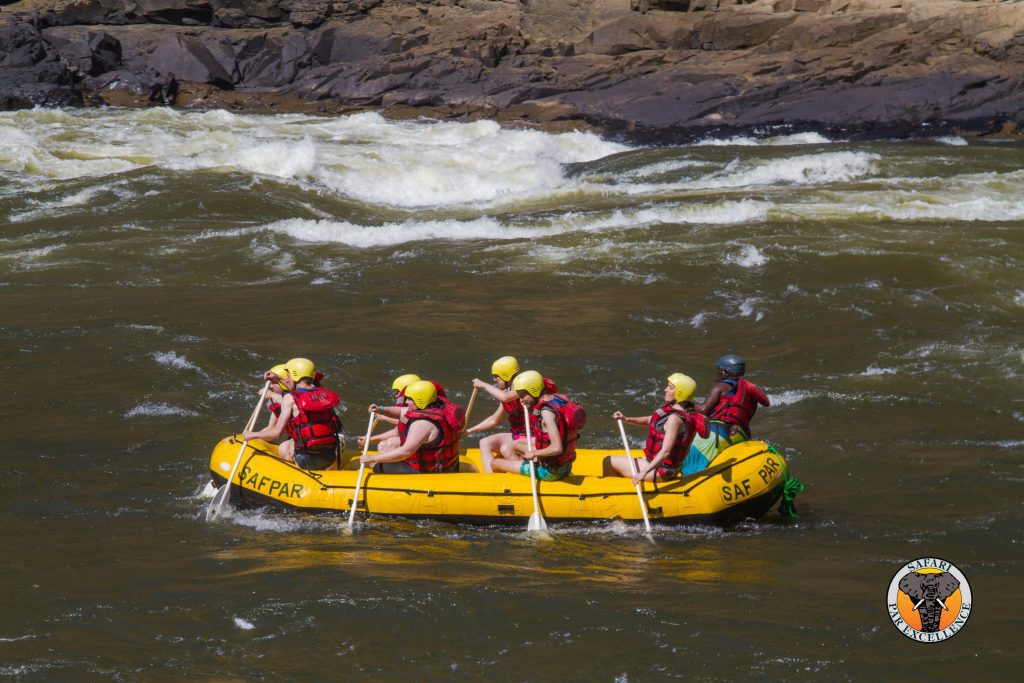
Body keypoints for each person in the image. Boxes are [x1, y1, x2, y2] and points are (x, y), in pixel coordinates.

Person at [603, 373, 711, 483]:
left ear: (680, 393)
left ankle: (614, 489)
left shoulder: (675, 419)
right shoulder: (675, 408)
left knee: (608, 461)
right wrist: (625, 419)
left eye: (670, 387)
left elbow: (666, 452)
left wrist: (643, 472)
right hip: (656, 463)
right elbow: (650, 420)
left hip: (662, 471)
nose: (665, 389)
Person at [242, 358, 343, 470]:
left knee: (284, 447)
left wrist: (252, 435)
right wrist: (277, 377)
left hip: (307, 461)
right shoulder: (324, 393)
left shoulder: (289, 398)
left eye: (288, 376)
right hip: (330, 457)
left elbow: (277, 433)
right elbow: (297, 384)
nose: (287, 379)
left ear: (295, 375)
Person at [489, 370, 584, 481]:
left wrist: (534, 453)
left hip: (550, 472)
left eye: (523, 395)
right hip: (565, 466)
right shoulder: (559, 399)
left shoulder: (546, 414)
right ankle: (524, 473)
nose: (521, 400)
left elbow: (557, 448)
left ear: (533, 391)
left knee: (495, 463)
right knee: (516, 445)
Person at [359, 380, 465, 474]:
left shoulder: (422, 424)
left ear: (420, 400)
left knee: (378, 467)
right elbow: (401, 411)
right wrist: (381, 409)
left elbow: (406, 452)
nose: (406, 402)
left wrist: (372, 458)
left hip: (428, 470)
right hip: (451, 465)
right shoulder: (438, 407)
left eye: (409, 399)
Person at [694, 353, 770, 456]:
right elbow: (766, 402)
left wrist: (685, 404)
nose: (717, 374)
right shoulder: (748, 388)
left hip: (717, 433)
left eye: (719, 371)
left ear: (725, 373)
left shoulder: (720, 386)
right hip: (740, 436)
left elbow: (704, 409)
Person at [465, 356, 527, 464]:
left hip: (532, 438)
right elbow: (494, 419)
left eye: (496, 376)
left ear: (505, 376)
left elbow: (505, 398)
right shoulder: (508, 391)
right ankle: (490, 478)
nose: (494, 379)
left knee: (505, 449)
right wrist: (469, 431)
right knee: (485, 442)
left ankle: (522, 470)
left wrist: (483, 385)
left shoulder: (523, 389)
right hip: (518, 436)